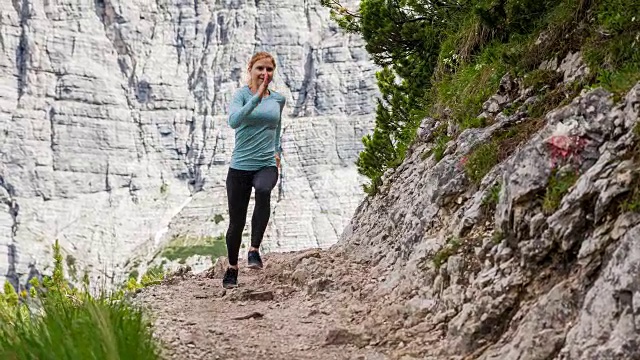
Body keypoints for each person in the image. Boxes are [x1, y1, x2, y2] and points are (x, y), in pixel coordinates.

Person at [222, 51, 286, 289]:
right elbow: (234, 122)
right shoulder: (240, 95)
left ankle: (254, 250)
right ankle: (232, 268)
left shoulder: (278, 100)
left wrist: (277, 151)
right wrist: (257, 96)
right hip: (239, 166)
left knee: (263, 189)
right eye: (260, 69)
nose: (265, 74)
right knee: (235, 223)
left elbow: (276, 127)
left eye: (269, 70)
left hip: (266, 163)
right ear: (250, 69)